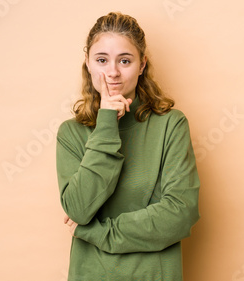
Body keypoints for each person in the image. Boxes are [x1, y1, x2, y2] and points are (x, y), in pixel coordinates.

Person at [56, 12, 200, 280]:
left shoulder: (171, 125)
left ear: (142, 65)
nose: (112, 72)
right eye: (102, 60)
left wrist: (98, 232)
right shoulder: (71, 133)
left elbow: (180, 213)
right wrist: (107, 122)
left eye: (125, 60)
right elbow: (78, 208)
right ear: (88, 64)